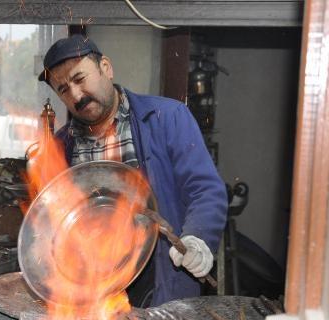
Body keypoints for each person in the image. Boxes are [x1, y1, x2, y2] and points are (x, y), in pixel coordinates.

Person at [38, 34, 228, 306]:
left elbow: (205, 189)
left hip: (160, 276)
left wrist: (198, 236)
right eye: (63, 89)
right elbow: (51, 220)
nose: (76, 95)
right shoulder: (60, 147)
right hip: (95, 288)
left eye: (80, 79)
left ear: (106, 67)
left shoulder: (167, 118)